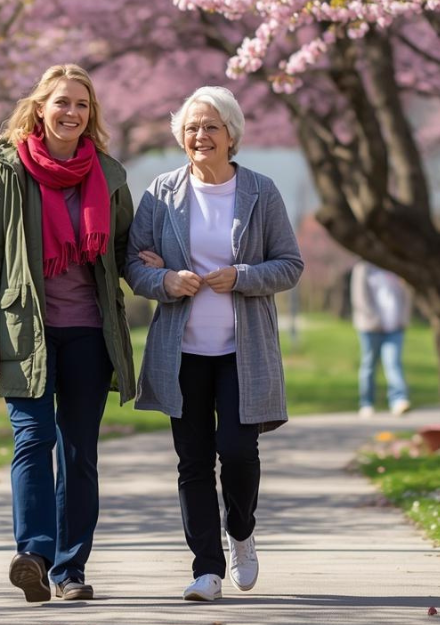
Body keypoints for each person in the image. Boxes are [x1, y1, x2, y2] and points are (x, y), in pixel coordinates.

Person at [125, 86, 303, 602]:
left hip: (241, 353)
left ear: (232, 135)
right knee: (194, 461)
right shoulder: (161, 192)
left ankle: (242, 532)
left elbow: (290, 264)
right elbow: (133, 263)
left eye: (210, 127)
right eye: (191, 128)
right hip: (182, 354)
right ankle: (207, 568)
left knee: (239, 453)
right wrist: (165, 281)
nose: (200, 136)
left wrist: (242, 275)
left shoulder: (260, 191)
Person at [0, 64, 135, 603]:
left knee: (79, 451)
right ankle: (34, 556)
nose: (71, 113)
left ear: (92, 114)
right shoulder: (10, 171)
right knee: (33, 441)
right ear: (40, 107)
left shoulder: (108, 175)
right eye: (61, 102)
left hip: (90, 332)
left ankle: (70, 571)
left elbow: (126, 250)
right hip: (23, 332)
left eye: (82, 105)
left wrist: (154, 262)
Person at [350, 260, 412, 418]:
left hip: (395, 325)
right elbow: (359, 298)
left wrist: (403, 318)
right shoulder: (364, 268)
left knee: (393, 363)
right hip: (371, 326)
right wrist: (373, 319)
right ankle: (367, 402)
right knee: (369, 364)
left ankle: (399, 400)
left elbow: (407, 293)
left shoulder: (397, 265)